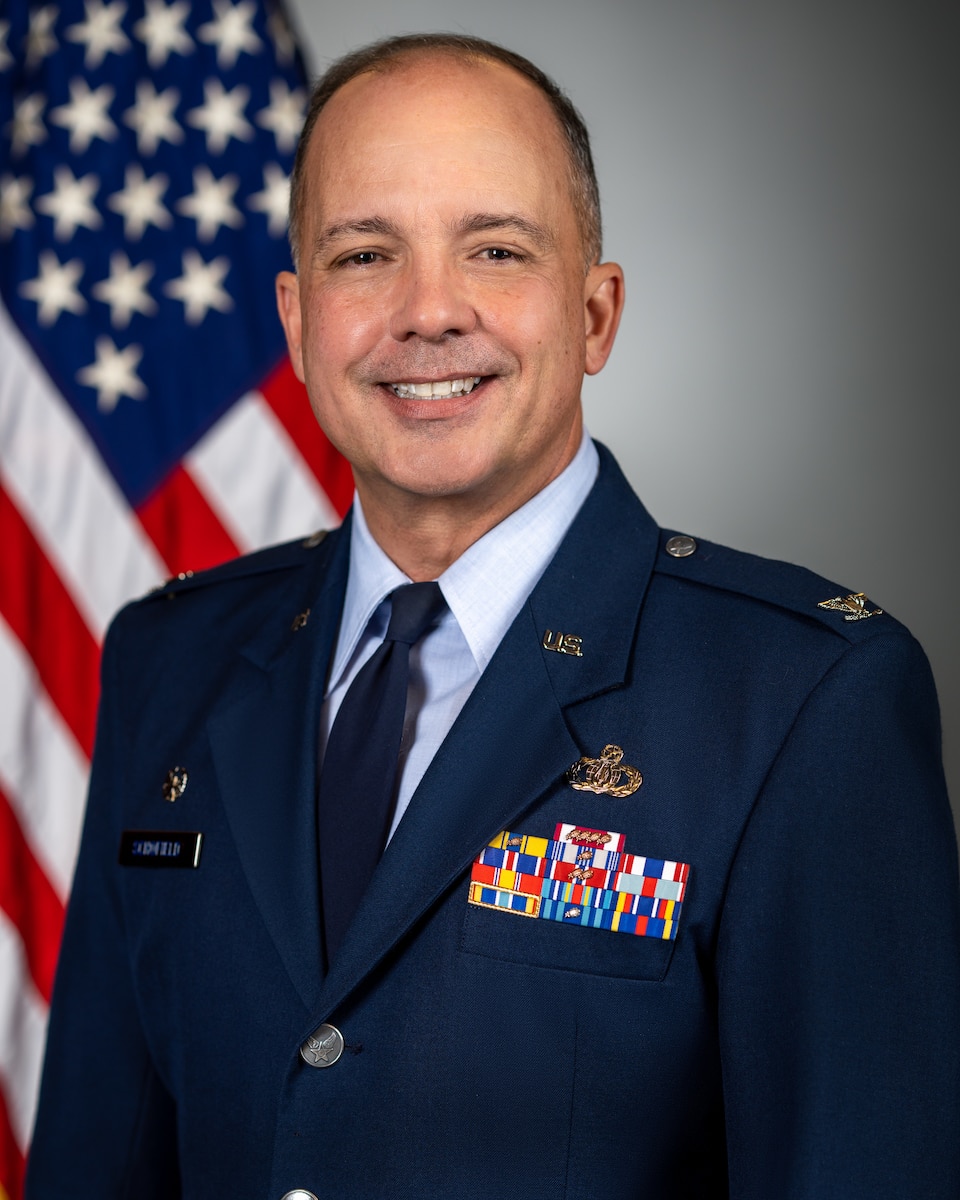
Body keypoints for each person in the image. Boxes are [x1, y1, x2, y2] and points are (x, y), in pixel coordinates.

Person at [27, 33, 960, 1200]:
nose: (428, 312)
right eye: (365, 254)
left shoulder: (804, 702)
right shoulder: (170, 658)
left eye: (498, 249)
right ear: (297, 319)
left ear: (595, 315)